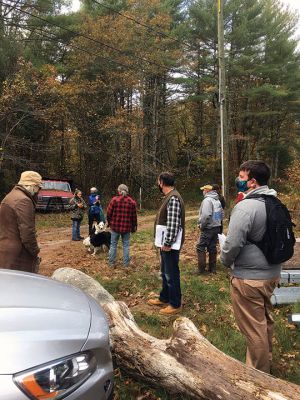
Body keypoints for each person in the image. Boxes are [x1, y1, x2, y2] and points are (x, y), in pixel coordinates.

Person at [221, 160, 281, 373]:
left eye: (242, 177)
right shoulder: (275, 201)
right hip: (272, 274)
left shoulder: (246, 207)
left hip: (249, 279)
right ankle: (267, 359)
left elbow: (233, 243)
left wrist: (224, 260)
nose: (238, 180)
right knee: (264, 320)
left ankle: (258, 375)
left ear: (253, 182)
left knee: (254, 329)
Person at [148, 172, 185, 315]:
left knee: (171, 274)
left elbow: (173, 224)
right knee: (165, 272)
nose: (158, 184)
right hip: (165, 243)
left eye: (158, 181)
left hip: (169, 245)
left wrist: (168, 242)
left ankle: (175, 304)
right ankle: (164, 297)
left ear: (162, 182)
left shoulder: (173, 198)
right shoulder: (169, 197)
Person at [0, 170, 42, 273]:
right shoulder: (23, 200)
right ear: (32, 185)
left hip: (6, 250)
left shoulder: (10, 196)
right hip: (19, 255)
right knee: (21, 286)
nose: (38, 191)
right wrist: (35, 251)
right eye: (38, 187)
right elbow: (27, 233)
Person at [106, 184, 137, 268]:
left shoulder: (114, 200)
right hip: (127, 228)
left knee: (113, 245)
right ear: (127, 191)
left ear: (118, 191)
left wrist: (109, 222)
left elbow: (108, 213)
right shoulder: (132, 202)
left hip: (115, 227)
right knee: (126, 246)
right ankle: (126, 265)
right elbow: (134, 217)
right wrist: (134, 227)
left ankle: (111, 264)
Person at [196, 184, 223, 274]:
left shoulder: (207, 200)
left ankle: (201, 269)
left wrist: (201, 225)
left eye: (203, 190)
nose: (203, 192)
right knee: (212, 247)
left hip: (208, 227)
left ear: (207, 191)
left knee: (200, 247)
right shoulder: (217, 200)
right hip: (216, 227)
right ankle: (212, 269)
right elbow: (221, 214)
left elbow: (206, 215)